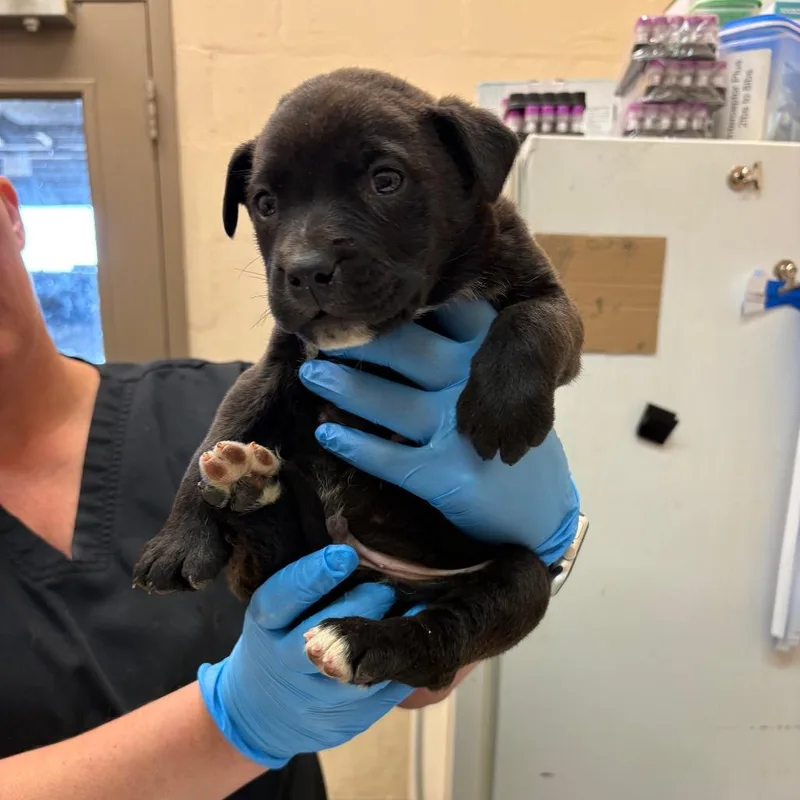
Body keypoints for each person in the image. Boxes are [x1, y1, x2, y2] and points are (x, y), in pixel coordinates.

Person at [0, 175, 581, 799]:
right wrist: (233, 725)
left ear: (11, 210)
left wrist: (536, 549)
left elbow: (420, 687)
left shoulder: (213, 403)